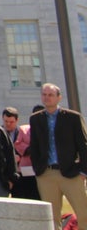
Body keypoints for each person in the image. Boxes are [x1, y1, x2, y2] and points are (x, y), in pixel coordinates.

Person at [29, 83, 87, 230]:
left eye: (50, 95)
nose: (47, 98)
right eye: (44, 94)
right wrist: (38, 170)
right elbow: (34, 146)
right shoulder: (36, 119)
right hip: (46, 174)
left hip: (72, 173)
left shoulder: (73, 118)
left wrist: (83, 171)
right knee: (52, 218)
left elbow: (83, 146)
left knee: (83, 213)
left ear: (59, 97)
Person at [11, 104, 44, 200]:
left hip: (43, 168)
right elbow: (17, 144)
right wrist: (30, 149)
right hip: (27, 168)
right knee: (28, 193)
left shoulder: (49, 130)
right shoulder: (24, 129)